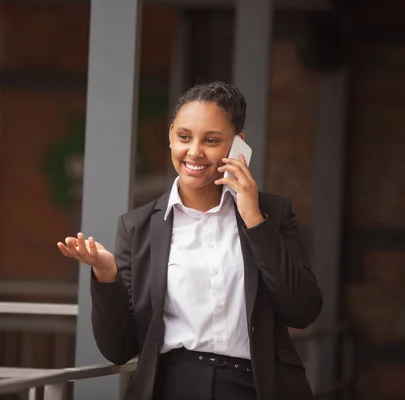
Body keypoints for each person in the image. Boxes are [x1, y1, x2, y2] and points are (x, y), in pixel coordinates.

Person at [57, 81, 323, 400]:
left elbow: (304, 309)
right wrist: (106, 274)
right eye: (184, 137)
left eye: (211, 140)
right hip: (174, 385)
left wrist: (254, 218)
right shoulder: (137, 227)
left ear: (238, 146)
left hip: (256, 387)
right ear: (171, 136)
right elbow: (118, 349)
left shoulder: (273, 214)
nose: (194, 152)